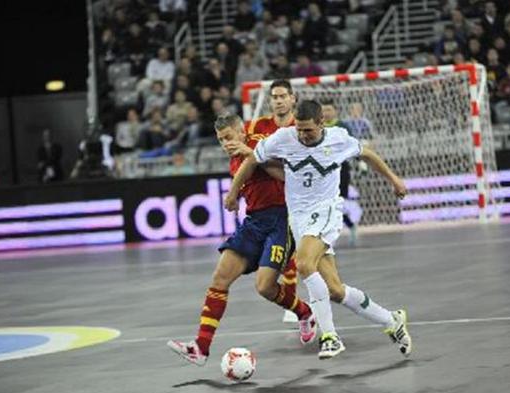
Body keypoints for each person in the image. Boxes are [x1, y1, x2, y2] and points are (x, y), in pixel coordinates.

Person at [224, 100, 412, 359]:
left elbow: (367, 154)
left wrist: (394, 179)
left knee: (303, 263)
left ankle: (330, 337)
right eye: (299, 129)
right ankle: (391, 320)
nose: (302, 135)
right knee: (336, 290)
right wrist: (233, 192)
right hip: (299, 218)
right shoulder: (283, 138)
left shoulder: (338, 138)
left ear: (321, 123)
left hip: (326, 211)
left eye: (308, 130)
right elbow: (252, 160)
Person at [167, 113, 317, 366]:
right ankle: (201, 347)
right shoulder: (234, 162)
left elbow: (287, 175)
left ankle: (304, 312)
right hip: (254, 222)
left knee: (265, 287)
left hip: (282, 220)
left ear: (241, 131)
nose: (225, 143)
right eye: (220, 140)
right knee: (220, 278)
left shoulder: (262, 142)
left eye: (228, 137)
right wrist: (235, 195)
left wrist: (252, 155)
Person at [248, 79, 301, 323]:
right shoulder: (257, 126)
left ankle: (300, 304)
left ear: (292, 98)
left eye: (283, 96)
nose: (278, 101)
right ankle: (296, 305)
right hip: (268, 203)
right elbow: (249, 158)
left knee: (301, 257)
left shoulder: (301, 127)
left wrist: (264, 160)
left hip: (298, 200)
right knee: (284, 256)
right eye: (275, 97)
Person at [320, 99, 358, 246]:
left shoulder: (342, 127)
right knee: (325, 204)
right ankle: (330, 233)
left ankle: (348, 226)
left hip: (341, 171)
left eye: (329, 109)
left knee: (337, 203)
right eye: (323, 110)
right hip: (323, 172)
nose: (326, 113)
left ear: (335, 111)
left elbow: (353, 146)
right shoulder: (317, 127)